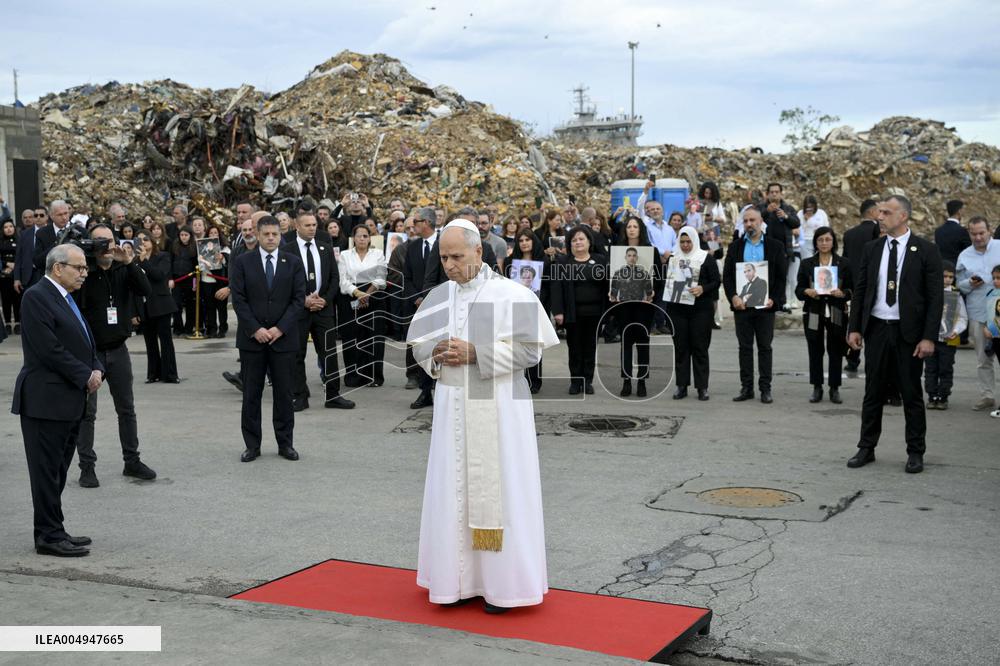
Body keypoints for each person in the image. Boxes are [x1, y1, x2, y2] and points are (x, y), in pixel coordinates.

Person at [406, 219, 559, 613]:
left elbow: (531, 353)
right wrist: (435, 354)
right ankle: (456, 582)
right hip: (452, 408)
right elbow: (419, 347)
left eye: (457, 256)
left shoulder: (512, 294)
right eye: (444, 258)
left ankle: (503, 587)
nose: (450, 265)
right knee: (451, 490)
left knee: (503, 491)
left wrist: (477, 353)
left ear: (479, 251)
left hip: (501, 409)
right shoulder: (439, 296)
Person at [14, 244, 105, 556]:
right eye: (78, 268)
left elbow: (83, 340)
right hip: (45, 401)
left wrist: (97, 367)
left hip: (68, 400)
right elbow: (48, 349)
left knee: (58, 471)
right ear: (57, 268)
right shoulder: (36, 297)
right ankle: (48, 537)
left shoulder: (65, 297)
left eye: (84, 268)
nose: (84, 273)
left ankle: (55, 528)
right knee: (46, 472)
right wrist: (85, 375)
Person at [846, 195, 943, 474]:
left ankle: (915, 451)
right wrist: (855, 328)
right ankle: (866, 447)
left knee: (911, 393)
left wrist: (928, 337)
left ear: (903, 216)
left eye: (887, 212)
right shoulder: (872, 248)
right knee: (872, 391)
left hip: (908, 333)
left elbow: (935, 298)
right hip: (877, 328)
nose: (880, 216)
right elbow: (861, 290)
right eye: (879, 212)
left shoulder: (925, 250)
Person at [73, 224, 156, 488]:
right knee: (87, 413)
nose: (105, 247)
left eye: (108, 241)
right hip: (89, 352)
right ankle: (87, 467)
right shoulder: (83, 272)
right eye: (98, 242)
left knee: (127, 409)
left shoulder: (123, 268)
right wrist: (87, 262)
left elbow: (146, 290)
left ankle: (131, 461)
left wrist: (130, 262)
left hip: (118, 349)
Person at [230, 215, 305, 463]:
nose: (271, 238)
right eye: (266, 234)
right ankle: (252, 445)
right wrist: (255, 329)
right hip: (252, 341)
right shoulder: (242, 262)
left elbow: (298, 299)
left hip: (283, 340)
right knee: (251, 394)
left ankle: (286, 444)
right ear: (258, 235)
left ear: (280, 235)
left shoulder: (292, 262)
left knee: (284, 394)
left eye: (275, 234)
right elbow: (239, 299)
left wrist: (279, 329)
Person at [281, 213, 354, 411]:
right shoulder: (287, 250)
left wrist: (324, 300)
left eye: (314, 224)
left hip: (324, 310)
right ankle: (300, 396)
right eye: (307, 225)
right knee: (297, 354)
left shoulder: (325, 248)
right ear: (297, 226)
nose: (312, 228)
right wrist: (303, 300)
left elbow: (333, 277)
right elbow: (284, 281)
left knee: (329, 353)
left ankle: (333, 395)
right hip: (299, 311)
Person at [723, 208, 786, 403]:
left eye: (753, 220)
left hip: (765, 307)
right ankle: (746, 387)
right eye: (746, 221)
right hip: (742, 307)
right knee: (744, 347)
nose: (749, 224)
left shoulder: (775, 246)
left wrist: (774, 299)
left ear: (761, 222)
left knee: (765, 347)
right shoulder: (735, 247)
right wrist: (733, 296)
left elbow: (781, 278)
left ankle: (765, 388)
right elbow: (727, 277)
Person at [796, 227, 852, 404]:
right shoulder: (807, 264)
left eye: (828, 239)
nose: (824, 243)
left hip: (836, 311)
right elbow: (798, 290)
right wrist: (807, 291)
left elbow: (853, 289)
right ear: (816, 243)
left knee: (836, 350)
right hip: (814, 311)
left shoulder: (844, 263)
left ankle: (834, 388)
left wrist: (842, 294)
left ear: (833, 241)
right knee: (815, 349)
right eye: (820, 240)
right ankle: (817, 387)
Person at [551, 226, 608, 395]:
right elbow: (556, 288)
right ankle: (575, 381)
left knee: (590, 348)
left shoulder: (600, 260)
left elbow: (608, 286)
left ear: (589, 241)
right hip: (572, 314)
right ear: (570, 244)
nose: (578, 242)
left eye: (582, 239)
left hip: (596, 313)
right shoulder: (563, 262)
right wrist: (558, 312)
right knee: (574, 348)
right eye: (574, 240)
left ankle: (587, 381)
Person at [665, 226, 720, 401]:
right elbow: (666, 282)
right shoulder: (674, 259)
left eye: (688, 241)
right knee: (681, 348)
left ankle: (702, 387)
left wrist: (703, 288)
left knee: (700, 348)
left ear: (695, 240)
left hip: (701, 310)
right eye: (682, 242)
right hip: (677, 310)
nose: (686, 245)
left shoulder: (706, 258)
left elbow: (716, 281)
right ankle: (681, 386)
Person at [956, 217, 1000, 411]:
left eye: (982, 232)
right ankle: (987, 395)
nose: (978, 237)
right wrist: (969, 284)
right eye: (974, 233)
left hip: (999, 313)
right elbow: (959, 285)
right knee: (983, 358)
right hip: (978, 312)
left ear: (989, 230)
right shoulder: (964, 256)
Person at [339, 224, 388, 387]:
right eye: (359, 236)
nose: (362, 239)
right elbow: (343, 280)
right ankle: (353, 377)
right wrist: (358, 293)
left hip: (374, 297)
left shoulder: (378, 254)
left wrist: (367, 293)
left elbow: (382, 277)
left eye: (365, 236)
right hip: (351, 298)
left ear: (370, 238)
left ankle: (374, 377)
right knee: (352, 338)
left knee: (373, 338)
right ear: (353, 239)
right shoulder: (345, 255)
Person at [609, 228, 656, 398]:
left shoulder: (644, 273)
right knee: (626, 347)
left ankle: (642, 382)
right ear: (625, 257)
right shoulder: (618, 274)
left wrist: (650, 297)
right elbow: (613, 292)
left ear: (637, 257)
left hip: (642, 312)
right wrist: (613, 298)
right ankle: (626, 381)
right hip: (624, 312)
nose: (632, 258)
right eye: (629, 255)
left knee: (643, 347)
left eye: (634, 255)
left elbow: (650, 292)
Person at [404, 207, 440, 407]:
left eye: (416, 221)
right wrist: (416, 298)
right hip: (418, 305)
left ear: (426, 222)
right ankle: (425, 391)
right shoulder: (413, 247)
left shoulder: (444, 244)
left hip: (440, 305)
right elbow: (407, 277)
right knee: (423, 348)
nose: (412, 225)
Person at [841, 199, 881, 374]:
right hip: (874, 284)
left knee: (854, 321)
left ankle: (852, 359)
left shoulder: (849, 234)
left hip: (854, 285)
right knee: (872, 323)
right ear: (872, 213)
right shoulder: (877, 231)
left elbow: (845, 260)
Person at [135, 231, 178, 385]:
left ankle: (170, 374)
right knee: (150, 341)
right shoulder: (134, 260)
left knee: (166, 341)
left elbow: (159, 275)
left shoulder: (163, 256)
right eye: (139, 240)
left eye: (146, 239)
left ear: (152, 241)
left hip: (162, 305)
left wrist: (145, 260)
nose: (143, 243)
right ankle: (153, 373)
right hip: (144, 305)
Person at [509, 228, 549, 394]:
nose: (524, 243)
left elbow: (548, 286)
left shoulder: (544, 261)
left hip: (537, 306)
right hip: (516, 307)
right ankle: (519, 377)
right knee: (516, 344)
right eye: (521, 240)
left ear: (533, 241)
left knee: (534, 344)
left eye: (528, 240)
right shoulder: (511, 261)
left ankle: (535, 380)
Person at [925, 261, 968, 410]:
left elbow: (963, 317)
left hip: (949, 340)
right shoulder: (929, 292)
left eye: (951, 277)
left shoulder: (956, 294)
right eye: (945, 276)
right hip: (931, 339)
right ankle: (932, 395)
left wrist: (955, 330)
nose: (948, 279)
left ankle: (943, 396)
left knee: (946, 368)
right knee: (930, 369)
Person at [170, 226, 197, 335]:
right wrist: (170, 278)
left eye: (186, 235)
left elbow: (197, 267)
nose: (184, 237)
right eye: (182, 235)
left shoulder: (194, 247)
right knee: (176, 304)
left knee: (190, 305)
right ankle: (178, 327)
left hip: (189, 279)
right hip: (177, 279)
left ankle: (189, 328)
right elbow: (170, 263)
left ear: (190, 236)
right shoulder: (174, 246)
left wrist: (195, 283)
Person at [934, 200, 971, 265]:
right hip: (957, 267)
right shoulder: (962, 231)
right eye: (962, 210)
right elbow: (968, 250)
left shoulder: (938, 231)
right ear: (959, 211)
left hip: (942, 267)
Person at [1, 219, 20, 334]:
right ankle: (7, 323)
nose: (8, 229)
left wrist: (14, 266)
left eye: (11, 226)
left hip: (16, 274)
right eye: (5, 227)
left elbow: (22, 255)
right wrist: (6, 264)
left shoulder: (20, 240)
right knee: (5, 299)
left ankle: (18, 323)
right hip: (3, 275)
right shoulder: (1, 241)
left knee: (17, 299)